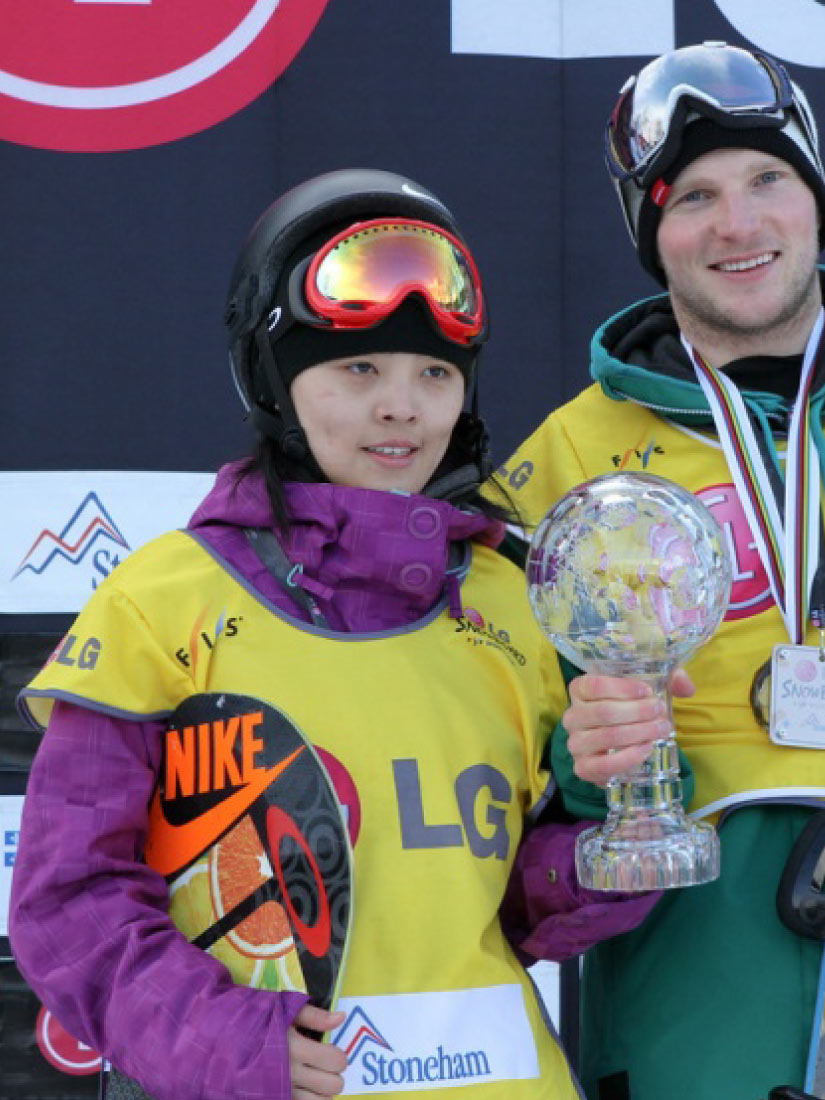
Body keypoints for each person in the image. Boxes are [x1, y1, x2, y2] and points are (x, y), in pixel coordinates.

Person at [9, 168, 655, 1100]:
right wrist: (229, 1044)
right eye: (358, 368)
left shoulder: (520, 602)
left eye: (434, 373)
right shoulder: (165, 601)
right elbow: (70, 900)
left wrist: (616, 812)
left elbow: (527, 912)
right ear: (275, 380)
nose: (401, 406)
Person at [499, 41, 825, 1100]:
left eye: (769, 177)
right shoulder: (571, 458)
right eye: (692, 197)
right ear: (652, 234)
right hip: (703, 950)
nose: (739, 224)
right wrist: (583, 750)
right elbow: (478, 739)